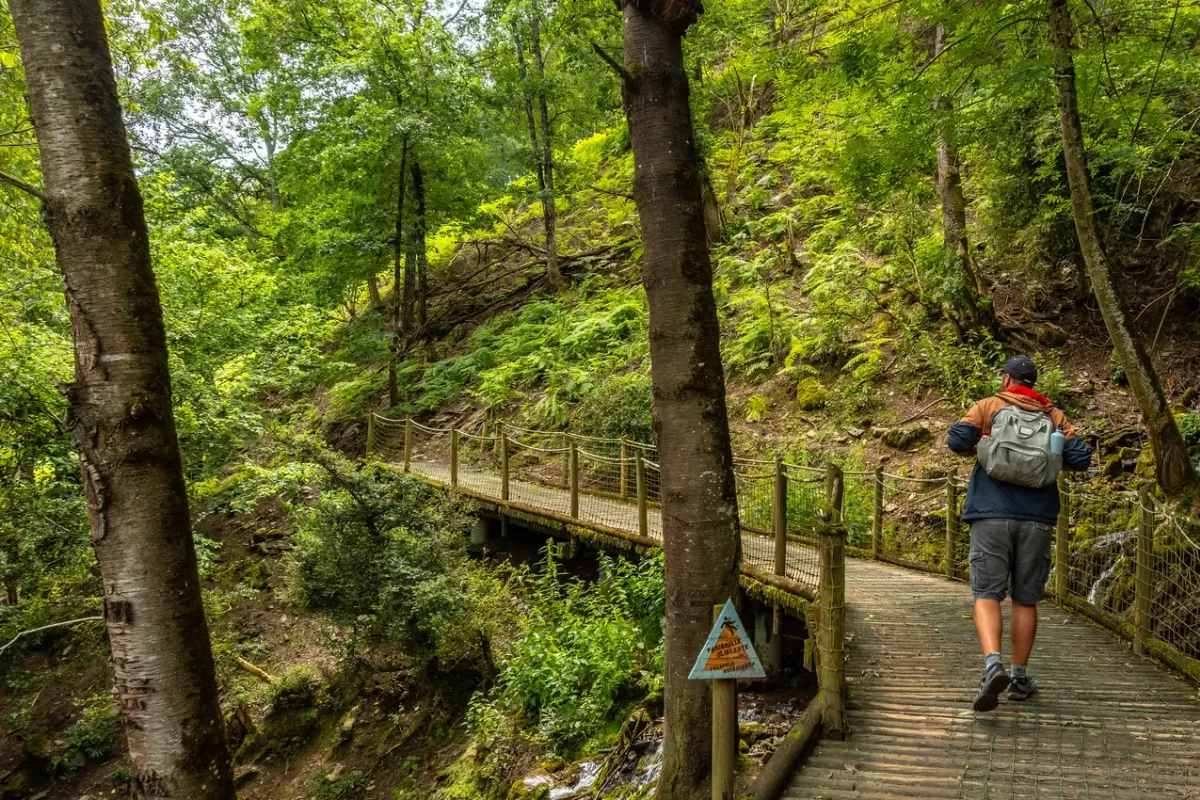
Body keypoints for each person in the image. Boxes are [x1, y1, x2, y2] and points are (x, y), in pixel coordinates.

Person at [947, 355, 1092, 711]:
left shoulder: (989, 405)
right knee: (1025, 599)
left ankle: (992, 663)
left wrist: (981, 440)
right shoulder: (1054, 416)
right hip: (1038, 518)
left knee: (987, 592)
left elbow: (956, 439)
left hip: (990, 514)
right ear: (1034, 383)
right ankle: (1019, 677)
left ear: (1006, 379)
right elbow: (1081, 458)